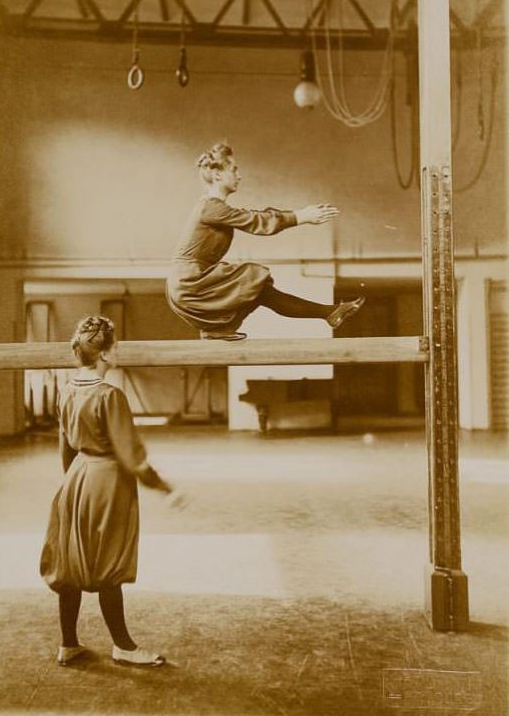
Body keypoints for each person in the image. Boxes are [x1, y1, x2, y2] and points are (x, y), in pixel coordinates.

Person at [40, 316, 183, 667]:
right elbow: (130, 454)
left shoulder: (68, 391)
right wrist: (164, 488)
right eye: (114, 346)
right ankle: (123, 646)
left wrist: (72, 486)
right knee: (108, 564)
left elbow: (65, 447)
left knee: (71, 562)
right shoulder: (110, 396)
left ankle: (69, 643)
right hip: (107, 481)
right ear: (104, 354)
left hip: (77, 478)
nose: (117, 350)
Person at [166, 142, 365, 340]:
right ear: (218, 175)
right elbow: (255, 220)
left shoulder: (213, 207)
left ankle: (328, 313)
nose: (239, 175)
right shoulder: (211, 207)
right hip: (191, 282)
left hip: (193, 280)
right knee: (253, 280)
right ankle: (216, 331)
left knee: (259, 291)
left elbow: (252, 216)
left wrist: (297, 217)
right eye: (234, 170)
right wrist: (300, 216)